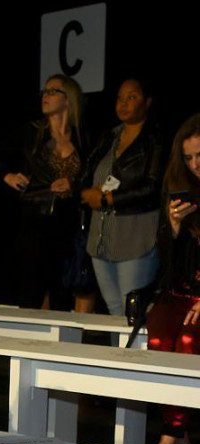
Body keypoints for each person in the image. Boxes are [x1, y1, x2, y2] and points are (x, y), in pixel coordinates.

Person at [0, 74, 85, 310]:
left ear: (68, 98)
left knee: (62, 293)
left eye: (52, 91)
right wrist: (8, 176)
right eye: (44, 91)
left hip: (67, 221)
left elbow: (92, 175)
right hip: (36, 219)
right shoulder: (33, 132)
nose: (45, 96)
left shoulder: (82, 137)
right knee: (31, 292)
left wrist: (75, 185)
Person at [81, 79, 163, 316]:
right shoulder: (109, 136)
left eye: (132, 97)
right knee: (114, 310)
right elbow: (86, 174)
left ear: (147, 102)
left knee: (132, 310)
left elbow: (153, 188)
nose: (123, 103)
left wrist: (108, 199)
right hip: (101, 239)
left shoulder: (154, 139)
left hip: (135, 237)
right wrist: (84, 191)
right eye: (120, 98)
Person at [146, 115, 200, 444]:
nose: (195, 165)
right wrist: (175, 228)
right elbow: (168, 263)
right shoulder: (183, 191)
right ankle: (179, 433)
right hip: (181, 291)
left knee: (188, 339)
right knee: (158, 331)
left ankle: (172, 433)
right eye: (188, 157)